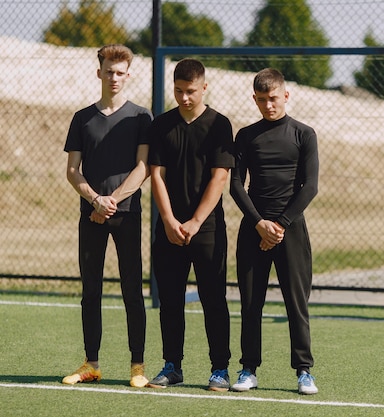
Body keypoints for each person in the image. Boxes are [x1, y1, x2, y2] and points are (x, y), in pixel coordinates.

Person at [63, 44, 152, 387]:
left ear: (128, 75)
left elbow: (142, 167)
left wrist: (111, 201)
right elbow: (73, 170)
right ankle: (91, 364)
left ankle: (137, 367)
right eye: (109, 71)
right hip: (91, 215)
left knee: (132, 289)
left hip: (126, 214)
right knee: (91, 290)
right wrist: (94, 200)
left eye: (120, 72)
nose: (114, 77)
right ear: (98, 72)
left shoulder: (141, 117)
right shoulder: (81, 118)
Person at [230, 68, 320, 395]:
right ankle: (248, 369)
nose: (269, 105)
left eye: (273, 98)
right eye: (262, 100)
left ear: (286, 95)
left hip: (290, 230)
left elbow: (310, 187)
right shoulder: (245, 136)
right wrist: (259, 223)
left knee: (296, 302)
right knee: (251, 303)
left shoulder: (304, 134)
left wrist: (280, 224)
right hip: (254, 227)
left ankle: (304, 371)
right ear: (254, 99)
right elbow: (236, 185)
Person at [146, 58, 234, 391]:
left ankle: (220, 369)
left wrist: (196, 221)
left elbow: (220, 176)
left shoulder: (220, 125)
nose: (184, 98)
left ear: (204, 88)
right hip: (168, 228)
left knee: (214, 298)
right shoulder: (160, 125)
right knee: (170, 299)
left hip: (207, 229)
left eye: (191, 92)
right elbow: (156, 174)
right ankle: (172, 366)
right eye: (179, 91)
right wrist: (168, 220)